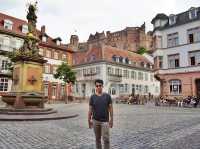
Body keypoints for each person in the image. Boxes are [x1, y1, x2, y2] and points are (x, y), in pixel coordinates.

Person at [88, 79, 113, 149]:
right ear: (95, 87)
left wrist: (111, 120)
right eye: (97, 86)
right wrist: (89, 120)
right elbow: (90, 109)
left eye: (100, 85)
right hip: (95, 121)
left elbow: (111, 108)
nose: (98, 87)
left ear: (102, 86)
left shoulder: (107, 96)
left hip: (105, 121)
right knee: (97, 139)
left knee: (106, 139)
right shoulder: (92, 97)